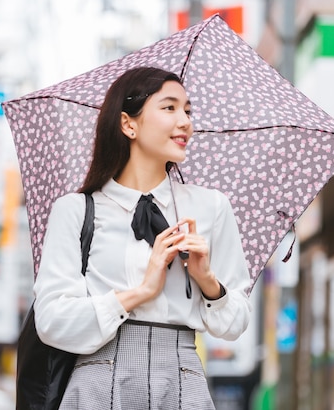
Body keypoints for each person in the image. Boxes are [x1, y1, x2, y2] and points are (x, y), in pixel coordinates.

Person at [33, 66, 251, 409]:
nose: (185, 122)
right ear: (128, 123)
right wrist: (140, 292)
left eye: (188, 110)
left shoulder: (210, 207)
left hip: (182, 378)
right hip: (98, 377)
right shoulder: (76, 210)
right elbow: (52, 321)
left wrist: (207, 280)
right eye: (169, 108)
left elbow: (235, 321)